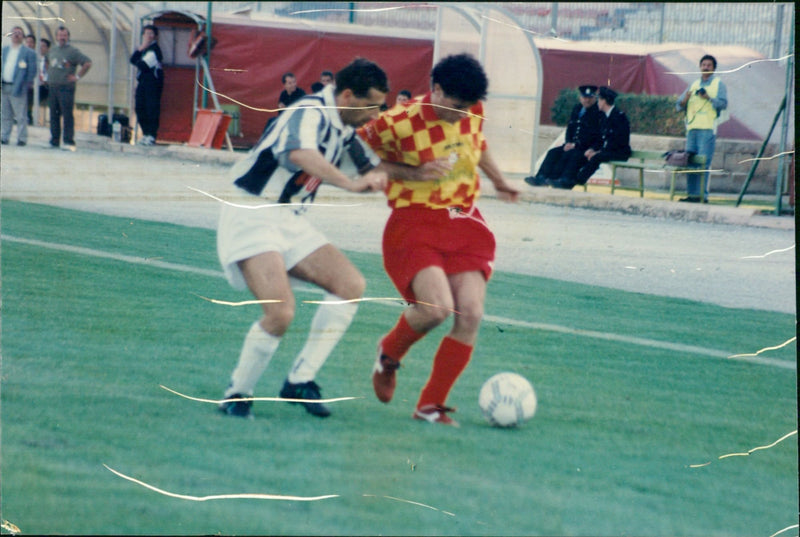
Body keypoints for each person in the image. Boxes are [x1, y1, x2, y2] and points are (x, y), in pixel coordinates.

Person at [216, 58, 390, 419]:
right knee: (280, 313)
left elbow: (374, 167)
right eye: (370, 105)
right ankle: (237, 393)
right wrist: (349, 183)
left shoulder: (343, 127)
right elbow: (299, 153)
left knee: (350, 284)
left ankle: (300, 381)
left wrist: (422, 172)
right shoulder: (309, 111)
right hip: (253, 211)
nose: (373, 115)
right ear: (346, 95)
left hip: (288, 218)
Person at [357, 53, 520, 426]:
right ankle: (388, 354)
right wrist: (413, 172)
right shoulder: (396, 121)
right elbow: (356, 160)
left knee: (472, 313)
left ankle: (430, 405)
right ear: (437, 90)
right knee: (435, 309)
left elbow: (477, 144)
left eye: (469, 109)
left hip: (463, 220)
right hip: (414, 221)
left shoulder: (471, 108)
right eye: (457, 107)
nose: (463, 115)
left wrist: (497, 180)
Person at [525, 84, 603, 187]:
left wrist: (576, 145)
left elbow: (594, 134)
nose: (587, 100)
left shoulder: (598, 112)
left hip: (586, 148)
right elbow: (570, 128)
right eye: (584, 97)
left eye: (589, 98)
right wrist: (568, 142)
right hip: (572, 145)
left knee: (572, 155)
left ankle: (564, 180)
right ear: (580, 97)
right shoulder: (577, 109)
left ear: (594, 98)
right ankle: (541, 177)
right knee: (553, 152)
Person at [675, 54, 728, 203]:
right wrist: (684, 100)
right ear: (700, 67)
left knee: (703, 163)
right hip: (692, 128)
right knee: (691, 162)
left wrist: (708, 98)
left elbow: (723, 104)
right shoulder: (694, 84)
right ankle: (692, 195)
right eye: (703, 64)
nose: (705, 67)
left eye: (708, 65)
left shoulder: (718, 84)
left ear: (713, 68)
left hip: (707, 129)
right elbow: (678, 105)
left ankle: (702, 196)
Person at [557, 86, 631, 189]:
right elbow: (602, 138)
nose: (598, 103)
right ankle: (567, 179)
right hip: (608, 150)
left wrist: (599, 152)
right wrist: (593, 149)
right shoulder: (606, 116)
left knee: (596, 157)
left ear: (604, 101)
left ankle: (577, 180)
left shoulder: (619, 117)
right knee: (587, 154)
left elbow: (617, 141)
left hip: (620, 152)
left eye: (599, 100)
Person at [47, 26, 91, 150]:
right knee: (53, 115)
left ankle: (68, 141)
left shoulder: (73, 51)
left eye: (64, 35)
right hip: (53, 86)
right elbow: (46, 61)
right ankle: (54, 140)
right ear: (56, 37)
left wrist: (77, 76)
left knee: (67, 115)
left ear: (68, 37)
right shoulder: (53, 50)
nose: (62, 37)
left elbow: (87, 63)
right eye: (60, 35)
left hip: (66, 88)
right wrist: (46, 75)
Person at [1, 26, 37, 146]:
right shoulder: (4, 50)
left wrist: (25, 84)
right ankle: (4, 136)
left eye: (19, 33)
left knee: (21, 115)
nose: (16, 35)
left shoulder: (28, 53)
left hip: (18, 87)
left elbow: (32, 71)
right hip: (4, 86)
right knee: (6, 114)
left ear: (23, 36)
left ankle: (21, 138)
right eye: (14, 33)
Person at [130, 25, 164, 146]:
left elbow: (142, 65)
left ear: (154, 36)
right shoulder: (144, 49)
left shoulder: (155, 49)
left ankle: (151, 135)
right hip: (143, 82)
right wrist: (140, 49)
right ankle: (145, 133)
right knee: (140, 107)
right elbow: (132, 59)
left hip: (152, 83)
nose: (149, 36)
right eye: (146, 33)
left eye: (151, 34)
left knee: (151, 108)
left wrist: (138, 59)